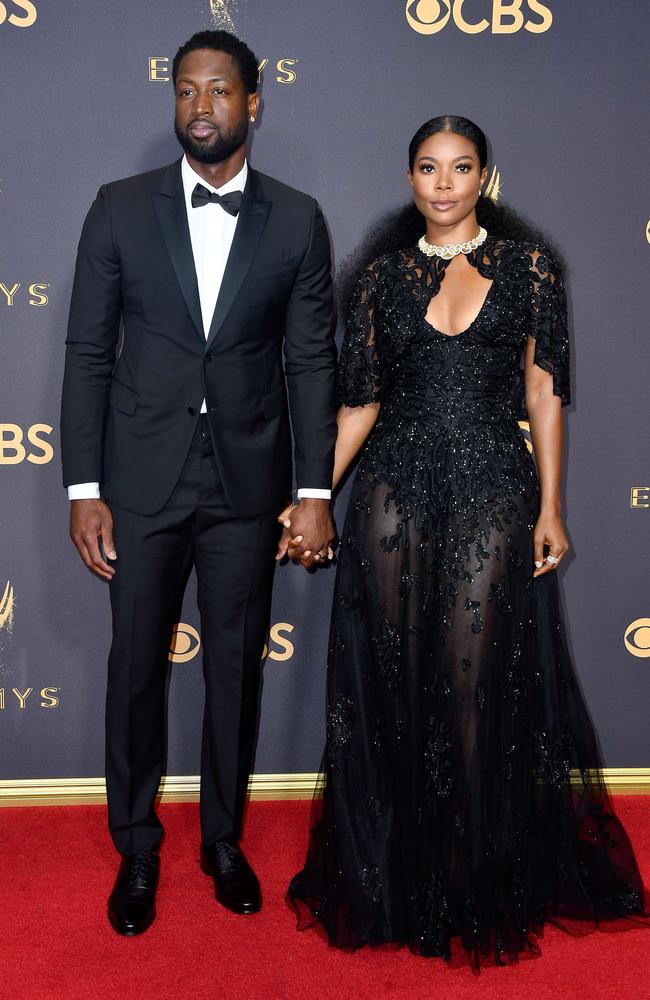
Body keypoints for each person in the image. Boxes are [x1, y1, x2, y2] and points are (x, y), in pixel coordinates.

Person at [286, 116, 648, 968]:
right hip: (390, 498)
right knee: (390, 690)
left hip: (493, 492)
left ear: (484, 177)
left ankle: (468, 882)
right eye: (426, 167)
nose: (442, 183)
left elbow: (544, 393)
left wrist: (551, 506)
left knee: (473, 691)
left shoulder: (530, 270)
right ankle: (395, 886)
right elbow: (360, 405)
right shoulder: (378, 280)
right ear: (409, 177)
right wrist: (310, 500)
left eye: (459, 168)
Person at [60, 29, 337, 936]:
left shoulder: (297, 219)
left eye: (219, 91)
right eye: (186, 90)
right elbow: (89, 355)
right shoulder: (119, 207)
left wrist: (313, 491)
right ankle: (135, 848)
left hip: (247, 489)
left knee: (233, 671)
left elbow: (309, 365)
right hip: (138, 484)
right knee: (134, 670)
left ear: (254, 102)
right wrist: (82, 487)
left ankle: (224, 840)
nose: (200, 106)